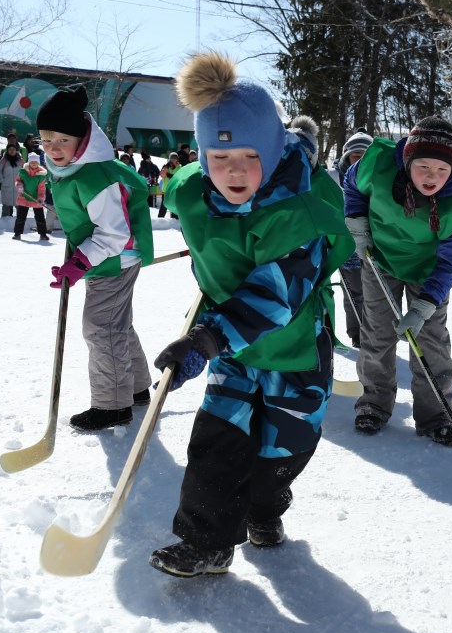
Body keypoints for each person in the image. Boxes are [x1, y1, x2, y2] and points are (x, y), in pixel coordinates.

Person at [149, 52, 353, 578]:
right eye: (219, 160)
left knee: (277, 456)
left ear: (270, 150)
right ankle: (205, 542)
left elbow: (273, 296)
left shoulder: (297, 214)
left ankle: (267, 506)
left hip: (292, 349)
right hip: (232, 354)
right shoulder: (194, 191)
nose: (232, 171)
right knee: (217, 443)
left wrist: (205, 341)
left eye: (247, 156)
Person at [344, 116, 452, 444]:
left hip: (429, 270)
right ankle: (374, 402)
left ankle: (436, 414)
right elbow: (352, 185)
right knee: (377, 332)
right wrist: (357, 221)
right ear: (407, 159)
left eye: (441, 170)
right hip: (380, 258)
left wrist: (425, 305)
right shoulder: (377, 164)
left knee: (430, 337)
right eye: (424, 167)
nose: (432, 177)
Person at [38, 84, 155, 430]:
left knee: (101, 328)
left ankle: (112, 405)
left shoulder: (94, 174)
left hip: (114, 258)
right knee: (115, 324)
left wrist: (80, 262)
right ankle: (136, 389)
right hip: (106, 256)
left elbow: (114, 232)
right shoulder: (70, 167)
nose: (53, 149)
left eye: (62, 140)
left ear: (81, 139)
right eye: (45, 140)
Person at [338, 132, 374, 347]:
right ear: (346, 157)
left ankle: (375, 335)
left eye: (364, 156)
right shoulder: (334, 180)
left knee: (374, 295)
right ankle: (357, 335)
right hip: (346, 248)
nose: (359, 161)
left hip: (373, 247)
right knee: (353, 294)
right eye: (355, 156)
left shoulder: (377, 181)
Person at [12, 152, 49, 241]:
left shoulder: (41, 175)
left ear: (38, 163)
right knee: (21, 217)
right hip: (24, 197)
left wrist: (41, 198)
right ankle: (17, 233)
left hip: (36, 199)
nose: (34, 163)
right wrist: (19, 186)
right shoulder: (23, 172)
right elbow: (17, 181)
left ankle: (43, 234)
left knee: (40, 217)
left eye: (35, 162)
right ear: (29, 162)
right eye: (32, 161)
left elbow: (42, 188)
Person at [0, 140, 24, 218]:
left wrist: (23, 182)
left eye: (13, 149)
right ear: (7, 150)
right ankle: (4, 224)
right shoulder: (3, 160)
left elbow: (25, 172)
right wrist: (2, 180)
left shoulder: (21, 160)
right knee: (6, 207)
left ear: (16, 150)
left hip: (18, 187)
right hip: (6, 186)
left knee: (20, 207)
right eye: (10, 149)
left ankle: (20, 224)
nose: (12, 151)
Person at [157, 152, 182, 218]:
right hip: (166, 189)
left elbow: (180, 177)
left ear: (177, 159)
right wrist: (166, 168)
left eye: (175, 158)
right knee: (163, 205)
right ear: (169, 159)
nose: (173, 159)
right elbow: (162, 175)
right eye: (172, 158)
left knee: (173, 205)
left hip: (175, 189)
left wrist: (171, 176)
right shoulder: (166, 166)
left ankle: (174, 219)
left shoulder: (180, 167)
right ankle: (160, 219)